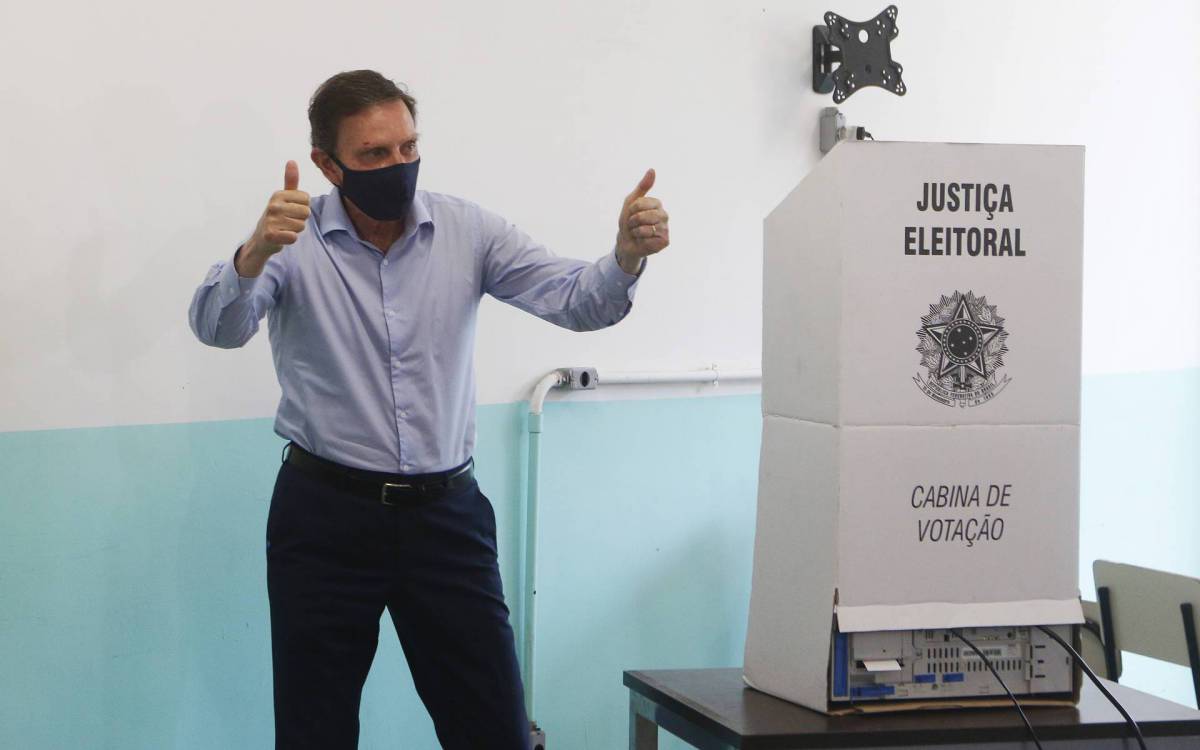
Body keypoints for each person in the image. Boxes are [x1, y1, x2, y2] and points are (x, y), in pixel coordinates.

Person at [187, 69, 670, 750]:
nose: (398, 166)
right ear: (328, 164)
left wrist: (624, 257)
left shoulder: (467, 230)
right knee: (314, 731)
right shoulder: (288, 243)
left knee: (494, 730)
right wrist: (253, 253)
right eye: (374, 155)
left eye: (408, 148)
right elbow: (217, 327)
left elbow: (574, 298)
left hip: (446, 519)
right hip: (324, 519)